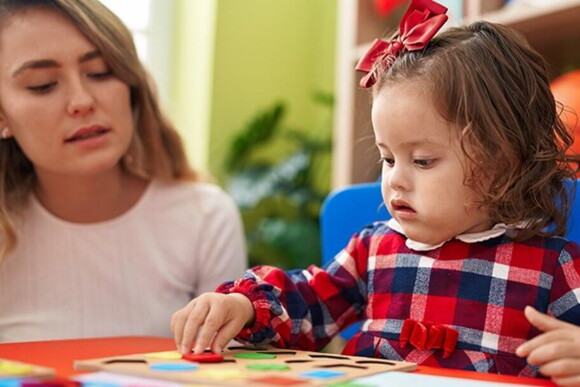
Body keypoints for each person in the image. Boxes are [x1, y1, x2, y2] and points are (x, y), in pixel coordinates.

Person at [171, 0, 580, 382]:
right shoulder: (373, 249)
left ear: (501, 163)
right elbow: (308, 304)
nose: (396, 180)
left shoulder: (551, 267)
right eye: (387, 159)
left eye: (422, 161)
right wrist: (243, 307)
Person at [0, 0, 247, 343]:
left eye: (100, 72)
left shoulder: (204, 217)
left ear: (131, 86)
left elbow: (229, 370)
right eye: (43, 84)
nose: (82, 101)